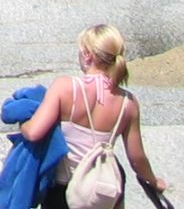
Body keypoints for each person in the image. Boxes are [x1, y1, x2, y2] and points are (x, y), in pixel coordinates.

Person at [18, 24, 163, 208]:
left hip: (65, 190)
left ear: (87, 54)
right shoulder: (128, 103)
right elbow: (137, 158)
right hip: (103, 192)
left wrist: (23, 122)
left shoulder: (65, 87)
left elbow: (33, 133)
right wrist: (154, 181)